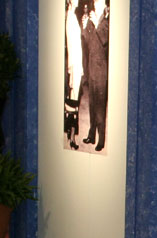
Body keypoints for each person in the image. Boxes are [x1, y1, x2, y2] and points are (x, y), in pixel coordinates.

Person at [81, 0, 109, 152]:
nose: (94, 6)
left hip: (101, 70)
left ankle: (101, 139)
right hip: (92, 68)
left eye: (97, 3)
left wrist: (97, 21)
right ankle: (91, 134)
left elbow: (105, 40)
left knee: (100, 106)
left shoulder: (106, 22)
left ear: (104, 6)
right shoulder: (94, 21)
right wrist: (85, 26)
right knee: (92, 104)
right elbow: (87, 41)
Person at [65, 0, 84, 149]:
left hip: (76, 65)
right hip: (74, 66)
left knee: (74, 101)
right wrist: (72, 69)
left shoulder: (73, 16)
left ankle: (71, 135)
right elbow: (71, 46)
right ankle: (72, 137)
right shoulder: (70, 18)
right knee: (73, 102)